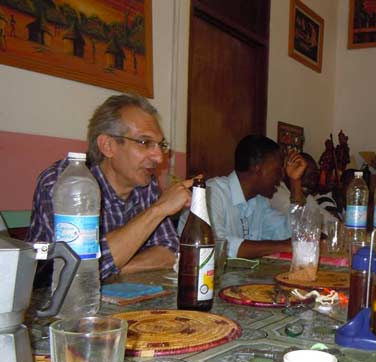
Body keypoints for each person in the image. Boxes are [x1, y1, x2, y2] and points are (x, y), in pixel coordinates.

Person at [27, 94, 196, 280]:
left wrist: (113, 268)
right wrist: (158, 210)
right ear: (108, 146)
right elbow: (75, 268)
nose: (159, 157)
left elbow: (169, 251)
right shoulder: (65, 183)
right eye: (145, 142)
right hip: (49, 296)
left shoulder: (145, 184)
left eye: (160, 145)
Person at [179, 134, 307, 259]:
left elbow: (288, 234)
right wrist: (284, 246)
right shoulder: (212, 193)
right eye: (277, 170)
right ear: (257, 166)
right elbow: (218, 245)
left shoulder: (260, 202)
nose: (281, 177)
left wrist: (295, 182)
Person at [270, 152, 341, 231]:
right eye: (302, 174)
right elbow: (300, 228)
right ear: (287, 173)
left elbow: (332, 222)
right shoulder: (276, 194)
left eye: (313, 176)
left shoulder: (307, 197)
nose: (309, 181)